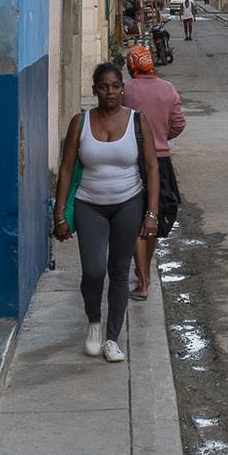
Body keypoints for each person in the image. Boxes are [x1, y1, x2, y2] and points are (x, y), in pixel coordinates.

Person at [53, 63, 163, 361]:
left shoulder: (138, 122)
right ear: (94, 90)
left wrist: (151, 214)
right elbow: (65, 169)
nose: (110, 92)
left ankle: (112, 339)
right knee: (93, 271)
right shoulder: (80, 122)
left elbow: (153, 168)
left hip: (128, 203)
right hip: (90, 205)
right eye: (103, 86)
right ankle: (93, 323)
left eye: (115, 86)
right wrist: (59, 214)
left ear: (122, 88)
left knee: (117, 272)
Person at [119, 45, 186, 300]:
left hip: (133, 161)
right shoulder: (168, 89)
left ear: (133, 65)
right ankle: (144, 274)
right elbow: (179, 123)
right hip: (161, 162)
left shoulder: (127, 90)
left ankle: (143, 281)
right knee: (152, 218)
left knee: (136, 221)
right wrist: (161, 137)